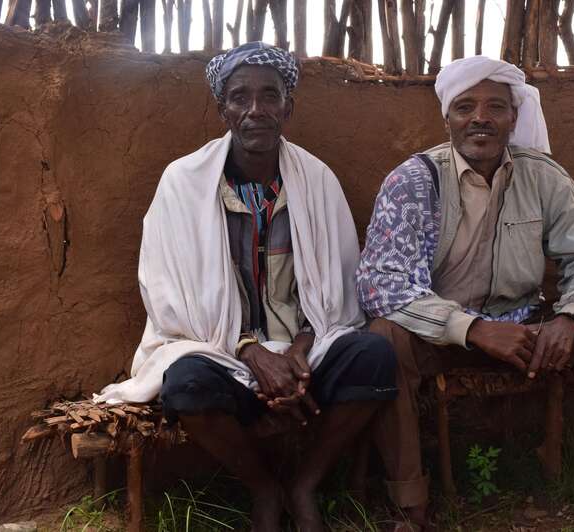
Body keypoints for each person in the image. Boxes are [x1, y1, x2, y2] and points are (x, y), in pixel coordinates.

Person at [356, 56, 574, 532]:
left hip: (527, 331)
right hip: (445, 336)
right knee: (383, 337)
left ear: (514, 117)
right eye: (465, 107)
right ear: (447, 118)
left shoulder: (542, 176)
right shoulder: (413, 182)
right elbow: (382, 282)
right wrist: (474, 329)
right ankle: (410, 503)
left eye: (495, 107)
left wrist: (570, 319)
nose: (480, 118)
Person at [95, 42, 398, 532]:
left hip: (305, 354)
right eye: (240, 97)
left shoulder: (317, 180)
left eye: (269, 96)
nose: (256, 109)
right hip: (219, 352)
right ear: (223, 109)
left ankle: (305, 483)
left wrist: (298, 353)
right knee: (185, 385)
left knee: (375, 357)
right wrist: (251, 352)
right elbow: (169, 297)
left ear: (288, 108)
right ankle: (263, 487)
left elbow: (337, 292)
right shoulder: (183, 183)